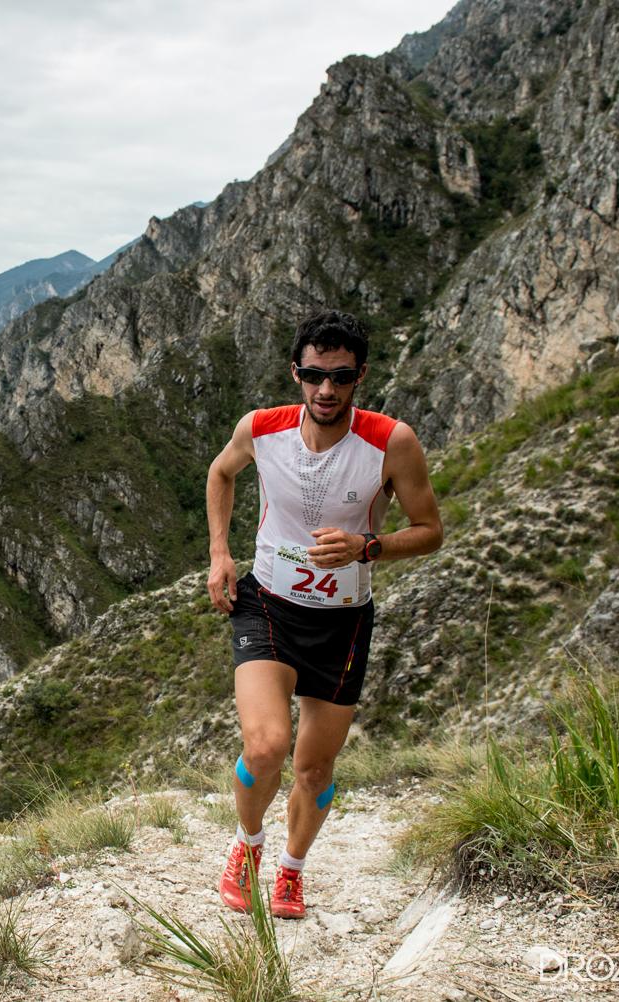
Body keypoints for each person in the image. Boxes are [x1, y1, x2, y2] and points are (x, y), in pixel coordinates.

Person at [204, 309, 443, 919]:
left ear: (360, 376)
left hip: (342, 619)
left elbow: (431, 531)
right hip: (269, 606)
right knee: (265, 745)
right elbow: (220, 473)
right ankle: (248, 847)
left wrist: (370, 547)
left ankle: (292, 869)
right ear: (296, 374)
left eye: (340, 377)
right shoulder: (262, 428)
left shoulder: (392, 442)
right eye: (314, 376)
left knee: (313, 767)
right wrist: (220, 553)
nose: (326, 390)